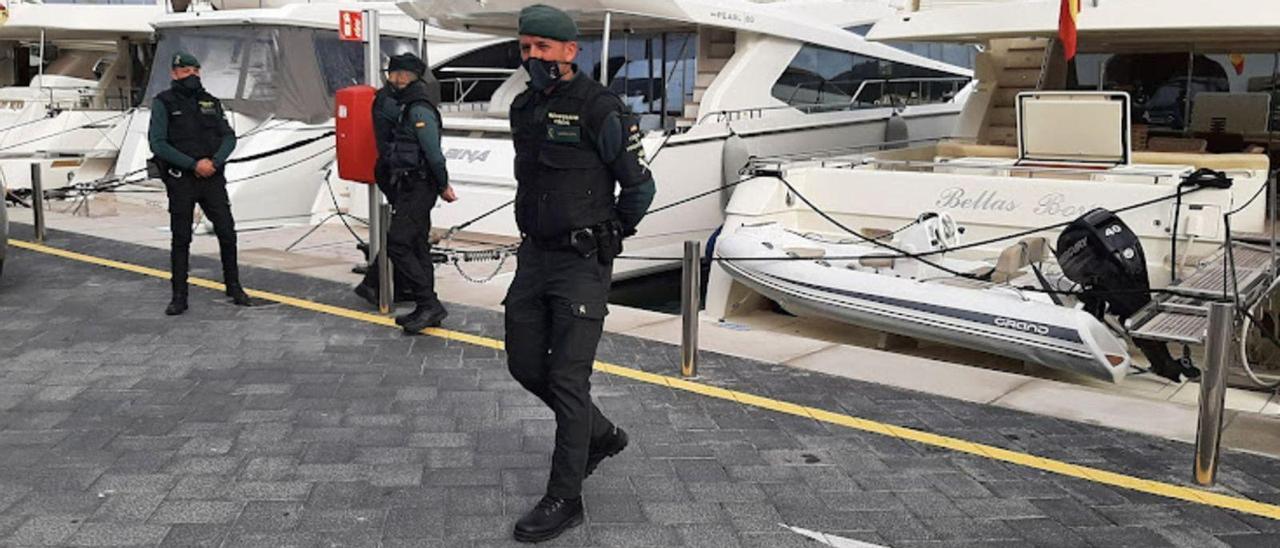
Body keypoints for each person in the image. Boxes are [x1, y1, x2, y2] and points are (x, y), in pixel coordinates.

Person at [503, 5, 656, 543]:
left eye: (543, 47)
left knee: (568, 379)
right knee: (524, 364)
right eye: (526, 47)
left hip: (581, 264)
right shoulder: (523, 108)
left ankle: (565, 498)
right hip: (533, 258)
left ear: (571, 51)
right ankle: (602, 434)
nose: (532, 56)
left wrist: (613, 232)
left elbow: (640, 187)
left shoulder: (600, 107)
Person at [149, 52, 251, 316]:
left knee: (227, 232)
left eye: (195, 70)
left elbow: (228, 137)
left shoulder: (211, 102)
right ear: (174, 73)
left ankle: (234, 286)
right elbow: (158, 143)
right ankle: (179, 296)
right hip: (182, 180)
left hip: (212, 178)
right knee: (181, 238)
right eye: (185, 71)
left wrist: (214, 162)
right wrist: (193, 165)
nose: (191, 75)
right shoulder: (163, 103)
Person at [379, 53, 457, 333]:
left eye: (396, 74)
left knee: (397, 242)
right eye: (391, 73)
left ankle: (429, 303)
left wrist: (443, 184)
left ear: (407, 76)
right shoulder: (404, 105)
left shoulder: (418, 109)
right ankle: (427, 308)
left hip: (420, 186)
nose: (391, 79)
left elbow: (434, 154)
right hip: (410, 184)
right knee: (417, 245)